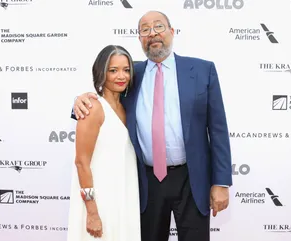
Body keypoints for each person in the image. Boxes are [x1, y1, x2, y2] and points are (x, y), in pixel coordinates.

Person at [73, 11, 232, 241]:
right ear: (139, 39)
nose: (153, 33)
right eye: (145, 30)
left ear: (172, 32)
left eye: (159, 26)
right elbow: (106, 104)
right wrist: (78, 102)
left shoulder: (201, 70)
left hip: (192, 179)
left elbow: (218, 129)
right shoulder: (130, 75)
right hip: (146, 182)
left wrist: (221, 182)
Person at [67, 45, 141, 241]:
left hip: (124, 198)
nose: (121, 76)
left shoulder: (127, 108)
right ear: (102, 72)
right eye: (113, 70)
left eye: (126, 70)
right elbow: (81, 162)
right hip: (100, 202)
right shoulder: (93, 108)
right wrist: (91, 211)